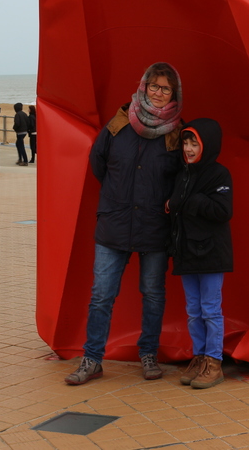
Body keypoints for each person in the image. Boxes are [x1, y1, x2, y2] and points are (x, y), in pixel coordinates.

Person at [65, 62, 184, 386]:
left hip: (154, 226)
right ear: (143, 86)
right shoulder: (119, 123)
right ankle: (92, 359)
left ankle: (149, 354)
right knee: (101, 294)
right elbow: (98, 161)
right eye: (154, 86)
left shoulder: (176, 132)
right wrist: (118, 194)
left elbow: (181, 177)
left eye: (166, 89)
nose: (159, 94)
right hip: (114, 223)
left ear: (174, 94)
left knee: (153, 293)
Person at [168, 119, 233, 389]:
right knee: (193, 311)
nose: (189, 148)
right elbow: (176, 207)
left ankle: (214, 362)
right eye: (186, 142)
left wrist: (189, 201)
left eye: (194, 143)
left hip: (210, 254)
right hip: (186, 252)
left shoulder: (219, 174)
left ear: (207, 145)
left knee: (210, 310)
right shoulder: (182, 173)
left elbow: (223, 211)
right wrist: (173, 204)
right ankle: (199, 357)